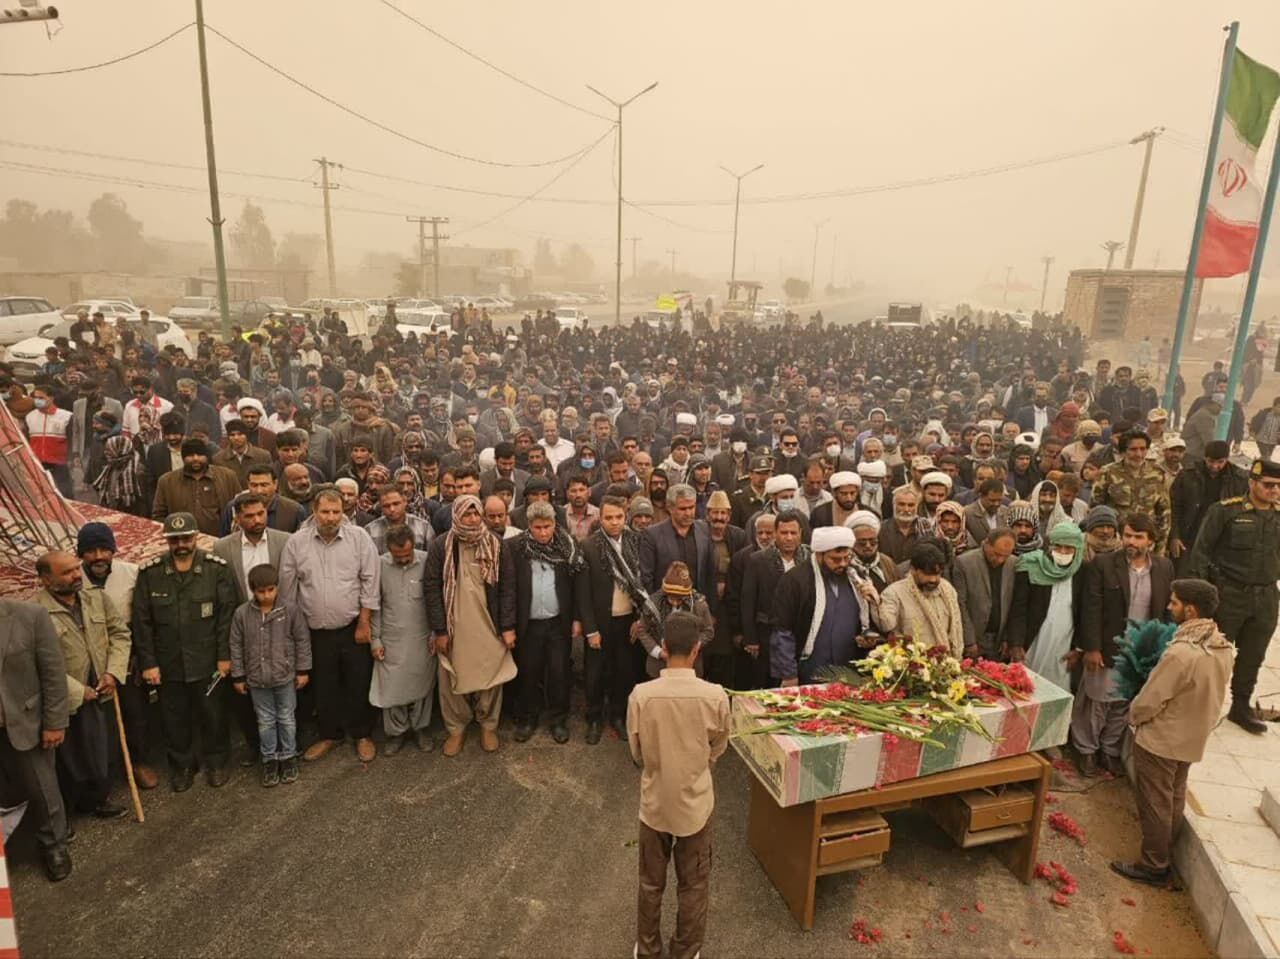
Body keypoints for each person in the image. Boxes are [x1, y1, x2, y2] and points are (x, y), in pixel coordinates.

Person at [1111, 580, 1232, 887]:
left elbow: (1153, 697)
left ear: (1191, 609)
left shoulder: (1181, 653)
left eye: (1175, 603)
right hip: (1192, 738)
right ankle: (1163, 855)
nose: (1169, 607)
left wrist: (1134, 715)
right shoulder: (1222, 647)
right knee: (1173, 799)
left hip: (1162, 740)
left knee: (1155, 802)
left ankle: (1153, 865)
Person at [627, 610, 730, 959]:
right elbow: (719, 746)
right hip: (696, 804)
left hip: (654, 804)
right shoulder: (715, 695)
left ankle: (648, 949)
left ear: (665, 648)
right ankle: (685, 951)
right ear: (698, 649)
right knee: (694, 884)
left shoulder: (641, 695)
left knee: (650, 882)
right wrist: (699, 766)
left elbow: (636, 750)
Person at [132, 512, 238, 792]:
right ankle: (183, 766)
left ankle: (216, 762)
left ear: (195, 537)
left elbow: (226, 617)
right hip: (168, 663)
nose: (181, 544)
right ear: (167, 540)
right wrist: (149, 664)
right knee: (174, 718)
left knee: (212, 713)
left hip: (208, 660)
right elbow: (142, 623)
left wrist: (224, 656)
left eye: (186, 538)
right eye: (174, 539)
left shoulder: (217, 569)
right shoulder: (150, 573)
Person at [278, 487, 381, 762]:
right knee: (324, 685)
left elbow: (370, 582)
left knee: (358, 682)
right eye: (325, 512)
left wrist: (364, 622)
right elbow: (288, 591)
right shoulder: (296, 543)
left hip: (352, 627)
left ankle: (362, 734)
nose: (331, 517)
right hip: (313, 631)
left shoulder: (359, 538)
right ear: (314, 511)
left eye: (336, 511)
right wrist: (294, 632)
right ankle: (330, 735)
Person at [32, 550, 130, 821]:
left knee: (102, 750)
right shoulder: (35, 614)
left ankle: (98, 799)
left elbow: (120, 634)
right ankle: (65, 817)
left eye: (76, 568)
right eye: (67, 572)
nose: (76, 575)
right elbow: (38, 664)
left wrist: (113, 672)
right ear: (46, 580)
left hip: (102, 686)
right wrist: (78, 691)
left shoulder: (96, 598)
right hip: (65, 696)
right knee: (70, 758)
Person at [1073, 513, 1173, 777]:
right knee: (1096, 701)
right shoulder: (1104, 564)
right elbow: (1091, 609)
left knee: (1124, 702)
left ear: (1150, 541)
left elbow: (1164, 612)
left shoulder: (1163, 567)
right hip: (1107, 647)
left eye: (1138, 537)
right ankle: (1086, 750)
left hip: (1140, 650)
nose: (1131, 541)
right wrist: (1091, 648)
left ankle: (1109, 750)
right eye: (1127, 535)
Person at [1188, 458, 1280, 733]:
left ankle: (1240, 706)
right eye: (1268, 485)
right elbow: (1201, 553)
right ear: (1252, 482)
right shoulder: (1226, 512)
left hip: (1265, 597)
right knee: (1215, 654)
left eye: (1278, 487)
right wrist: (1202, 598)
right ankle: (1199, 707)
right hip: (1229, 594)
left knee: (1253, 655)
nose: (1274, 491)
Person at [424, 494, 518, 756]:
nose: (473, 518)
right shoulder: (441, 545)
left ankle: (488, 725)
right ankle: (456, 728)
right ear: (456, 515)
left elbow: (508, 588)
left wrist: (508, 626)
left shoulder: (497, 544)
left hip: (489, 623)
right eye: (467, 513)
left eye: (476, 513)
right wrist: (440, 630)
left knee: (491, 676)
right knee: (450, 677)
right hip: (453, 626)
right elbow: (431, 588)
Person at [0, 598, 70, 881]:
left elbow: (53, 674)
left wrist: (54, 723)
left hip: (24, 721)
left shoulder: (29, 615)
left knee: (42, 788)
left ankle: (54, 845)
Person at [229, 564, 311, 788]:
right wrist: (238, 676)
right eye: (261, 591)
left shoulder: (291, 610)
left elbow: (302, 640)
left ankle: (288, 757)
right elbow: (235, 645)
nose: (266, 595)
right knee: (265, 721)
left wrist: (303, 670)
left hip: (285, 677)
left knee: (286, 718)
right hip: (257, 680)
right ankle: (269, 760)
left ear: (277, 588)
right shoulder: (242, 614)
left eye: (270, 590)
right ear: (252, 591)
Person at [578, 495, 651, 741]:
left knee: (625, 671)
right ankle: (594, 719)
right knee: (595, 674)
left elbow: (644, 584)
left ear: (626, 516)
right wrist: (590, 629)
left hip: (628, 621)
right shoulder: (589, 546)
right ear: (600, 518)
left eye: (619, 517)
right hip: (600, 622)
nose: (614, 522)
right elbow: (583, 593)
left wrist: (640, 619)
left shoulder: (636, 541)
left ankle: (618, 716)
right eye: (608, 518)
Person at [512, 502, 583, 744]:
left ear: (555, 523)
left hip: (557, 623)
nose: (543, 533)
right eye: (538, 527)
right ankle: (528, 718)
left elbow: (576, 588)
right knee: (528, 672)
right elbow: (509, 589)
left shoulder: (566, 547)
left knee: (559, 672)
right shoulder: (514, 548)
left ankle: (559, 720)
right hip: (529, 624)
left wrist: (576, 618)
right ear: (528, 526)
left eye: (548, 526)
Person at [771, 526, 872, 684]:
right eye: (836, 559)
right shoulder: (795, 581)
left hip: (850, 669)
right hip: (811, 669)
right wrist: (788, 674)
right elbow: (782, 631)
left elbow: (868, 620)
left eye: (847, 557)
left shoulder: (857, 578)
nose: (843, 564)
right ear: (819, 555)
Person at [369, 526, 437, 755]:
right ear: (388, 550)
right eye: (398, 556)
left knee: (422, 685)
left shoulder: (427, 560)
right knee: (392, 687)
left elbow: (436, 600)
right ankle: (396, 733)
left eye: (407, 554)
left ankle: (420, 729)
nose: (404, 559)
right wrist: (375, 640)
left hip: (422, 636)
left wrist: (436, 632)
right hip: (391, 637)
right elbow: (375, 606)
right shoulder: (378, 564)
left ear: (413, 545)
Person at [1006, 521, 1085, 689]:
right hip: (1032, 643)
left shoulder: (1083, 572)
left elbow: (1087, 613)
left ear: (1077, 550)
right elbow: (1018, 608)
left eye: (1068, 548)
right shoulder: (1031, 566)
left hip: (1063, 646)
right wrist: (1016, 644)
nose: (1062, 552)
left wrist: (1079, 649)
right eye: (1058, 547)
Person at [740, 513, 809, 688]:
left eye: (793, 533)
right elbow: (748, 600)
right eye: (784, 533)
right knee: (767, 683)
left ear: (800, 533)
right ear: (775, 533)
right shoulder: (758, 560)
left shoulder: (809, 558)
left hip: (801, 632)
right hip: (766, 632)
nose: (788, 538)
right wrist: (751, 638)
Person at [1169, 440, 1249, 575]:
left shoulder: (1239, 479)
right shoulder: (1188, 475)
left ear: (1227, 460)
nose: (1215, 466)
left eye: (1220, 462)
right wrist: (1174, 536)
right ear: (1204, 458)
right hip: (1188, 536)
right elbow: (1174, 507)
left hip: (1221, 540)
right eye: (1211, 461)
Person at [878, 541, 965, 656]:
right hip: (911, 665)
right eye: (928, 574)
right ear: (913, 570)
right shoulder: (894, 593)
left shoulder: (947, 590)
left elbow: (956, 629)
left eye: (937, 574)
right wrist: (876, 602)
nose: (933, 579)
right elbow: (886, 625)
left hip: (946, 663)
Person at [634, 562, 715, 680]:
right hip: (658, 669)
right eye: (672, 598)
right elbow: (642, 630)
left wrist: (691, 649)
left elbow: (708, 631)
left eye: (679, 599)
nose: (675, 602)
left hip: (691, 670)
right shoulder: (652, 603)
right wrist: (659, 652)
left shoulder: (699, 605)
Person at [152, 439, 242, 536]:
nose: (195, 458)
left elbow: (240, 508)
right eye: (190, 455)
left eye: (200, 454)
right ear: (183, 457)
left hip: (220, 541)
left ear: (207, 456)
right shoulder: (167, 481)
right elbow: (159, 517)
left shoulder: (227, 477)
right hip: (183, 541)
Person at [952, 527, 1018, 660]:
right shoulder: (964, 563)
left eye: (1006, 555)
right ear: (986, 544)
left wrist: (1007, 638)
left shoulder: (1013, 563)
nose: (1000, 560)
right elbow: (960, 605)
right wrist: (969, 641)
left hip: (999, 642)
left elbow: (1013, 605)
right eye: (997, 554)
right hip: (974, 638)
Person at [25, 384, 74, 499]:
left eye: (41, 398)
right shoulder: (30, 417)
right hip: (37, 464)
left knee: (64, 495)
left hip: (59, 464)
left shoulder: (66, 416)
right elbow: (27, 440)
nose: (37, 401)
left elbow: (72, 441)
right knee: (39, 496)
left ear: (51, 398)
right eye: (35, 397)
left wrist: (71, 460)